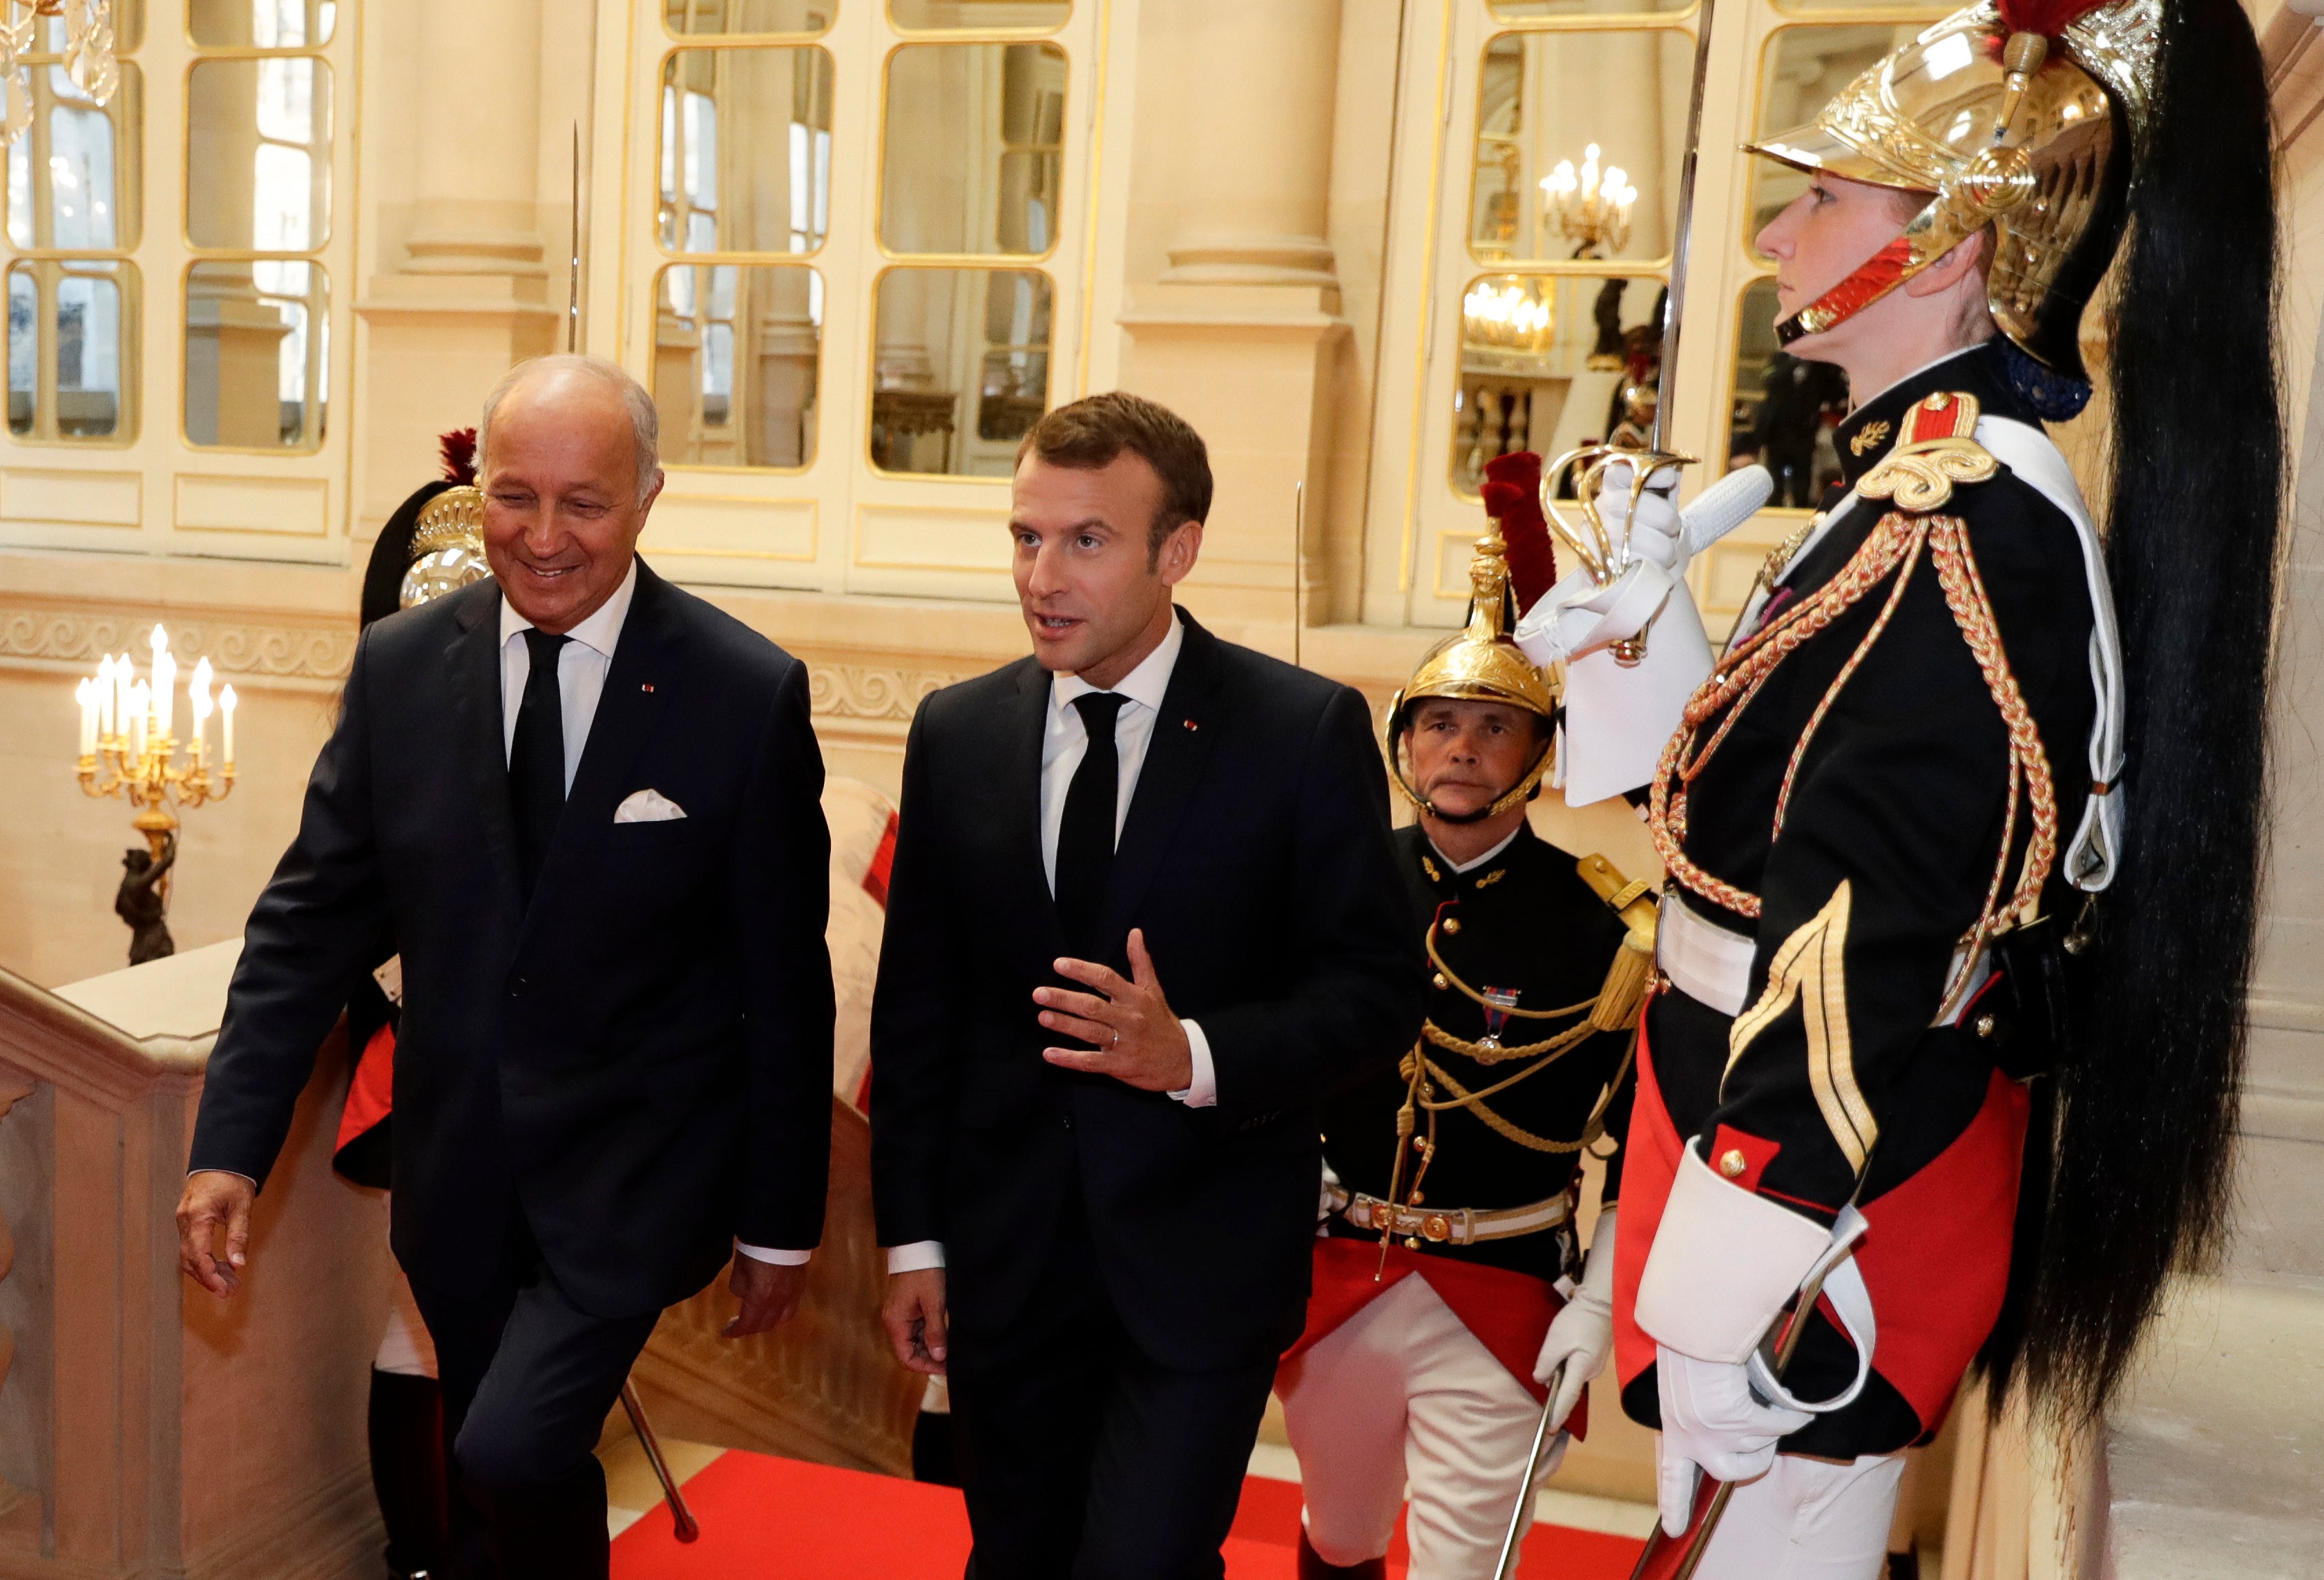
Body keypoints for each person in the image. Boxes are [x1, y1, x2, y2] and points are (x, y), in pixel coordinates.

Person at [1582, 4, 2281, 1574]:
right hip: (1772, 1158)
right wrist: (1644, 640)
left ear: (1957, 243)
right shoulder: (1921, 486)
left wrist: (1717, 1281)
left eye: (1824, 196)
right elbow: (1759, 821)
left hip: (1820, 1208)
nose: (1774, 229)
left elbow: (1856, 933)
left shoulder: (1959, 518)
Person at [175, 354, 837, 1580]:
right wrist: (230, 1147)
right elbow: (308, 926)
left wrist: (782, 1221)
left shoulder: (742, 693)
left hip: (641, 1178)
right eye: (513, 497)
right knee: (503, 1485)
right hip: (460, 1175)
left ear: (647, 497)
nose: (540, 537)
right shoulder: (400, 670)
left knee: (508, 1453)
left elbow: (782, 980)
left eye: (581, 502)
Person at [869, 391, 1424, 1580]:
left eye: (1085, 541)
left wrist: (1197, 1058)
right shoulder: (955, 732)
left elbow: (1377, 996)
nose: (1041, 576)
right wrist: (913, 1242)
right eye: (1025, 537)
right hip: (1005, 1270)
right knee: (1017, 1562)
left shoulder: (1299, 729)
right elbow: (918, 1014)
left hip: (1199, 1270)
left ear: (1177, 551)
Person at [1275, 454, 1655, 1580]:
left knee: (1462, 1565)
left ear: (1537, 759)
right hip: (1337, 1272)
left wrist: (1597, 1301)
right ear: (1403, 743)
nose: (1461, 749)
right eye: (1438, 723)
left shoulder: (1601, 927)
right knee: (1337, 1536)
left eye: (1493, 730)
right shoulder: (1327, 886)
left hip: (1497, 1297)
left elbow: (1638, 1130)